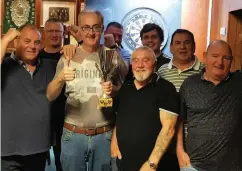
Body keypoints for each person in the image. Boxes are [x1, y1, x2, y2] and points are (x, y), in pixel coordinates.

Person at [47, 9, 128, 171]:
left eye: (96, 27)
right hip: (73, 135)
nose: (91, 32)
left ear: (102, 29)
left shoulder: (113, 56)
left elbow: (125, 92)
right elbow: (50, 95)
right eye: (86, 27)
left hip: (104, 135)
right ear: (80, 30)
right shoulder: (68, 56)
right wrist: (60, 78)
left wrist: (113, 90)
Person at [177, 40, 242, 171]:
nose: (220, 62)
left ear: (232, 61)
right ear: (205, 56)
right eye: (215, 56)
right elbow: (178, 120)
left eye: (226, 58)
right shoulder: (189, 84)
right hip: (193, 166)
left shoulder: (239, 82)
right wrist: (179, 151)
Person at [111, 46, 179, 171]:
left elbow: (169, 129)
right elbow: (119, 118)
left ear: (154, 65)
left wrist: (152, 163)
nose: (140, 65)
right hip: (124, 164)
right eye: (135, 61)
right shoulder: (126, 87)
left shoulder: (166, 89)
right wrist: (114, 144)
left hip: (154, 166)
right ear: (131, 64)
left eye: (145, 60)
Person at [1, 25, 55, 171]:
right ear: (16, 42)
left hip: (39, 149)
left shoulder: (48, 66)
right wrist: (5, 40)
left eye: (37, 42)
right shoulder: (4, 65)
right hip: (9, 153)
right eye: (27, 41)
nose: (32, 46)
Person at [38, 18, 66, 171]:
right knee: (36, 163)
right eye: (50, 31)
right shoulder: (35, 57)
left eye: (58, 31)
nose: (54, 34)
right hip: (40, 118)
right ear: (44, 33)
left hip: (65, 118)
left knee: (62, 163)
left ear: (63, 33)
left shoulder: (70, 56)